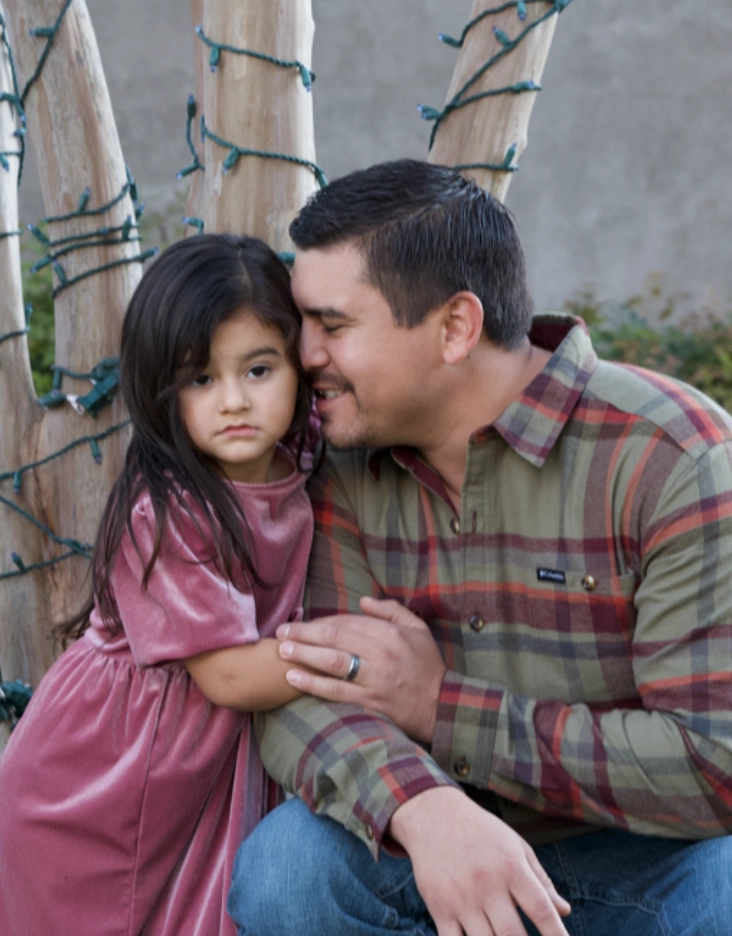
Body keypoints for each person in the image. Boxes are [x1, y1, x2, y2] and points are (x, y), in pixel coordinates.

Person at [227, 160, 732, 936]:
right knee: (289, 869)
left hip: (650, 858)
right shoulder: (343, 461)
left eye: (333, 325)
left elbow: (713, 761)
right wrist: (424, 808)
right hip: (435, 848)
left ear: (455, 327)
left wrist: (441, 707)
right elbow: (304, 690)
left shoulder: (669, 458)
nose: (304, 355)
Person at [0, 234, 316, 936]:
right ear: (159, 386)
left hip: (191, 767)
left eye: (259, 369)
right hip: (101, 777)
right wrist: (353, 656)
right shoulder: (169, 511)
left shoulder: (308, 463)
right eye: (200, 380)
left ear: (300, 365)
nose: (234, 400)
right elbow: (232, 676)